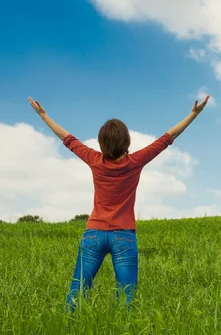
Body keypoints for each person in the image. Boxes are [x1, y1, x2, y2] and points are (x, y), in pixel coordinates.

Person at [28, 95, 210, 311]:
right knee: (127, 299)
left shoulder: (94, 159)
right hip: (123, 235)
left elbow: (66, 138)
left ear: (101, 143)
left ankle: (66, 329)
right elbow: (169, 137)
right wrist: (193, 114)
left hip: (93, 233)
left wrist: (43, 115)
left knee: (77, 292)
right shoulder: (135, 162)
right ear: (127, 142)